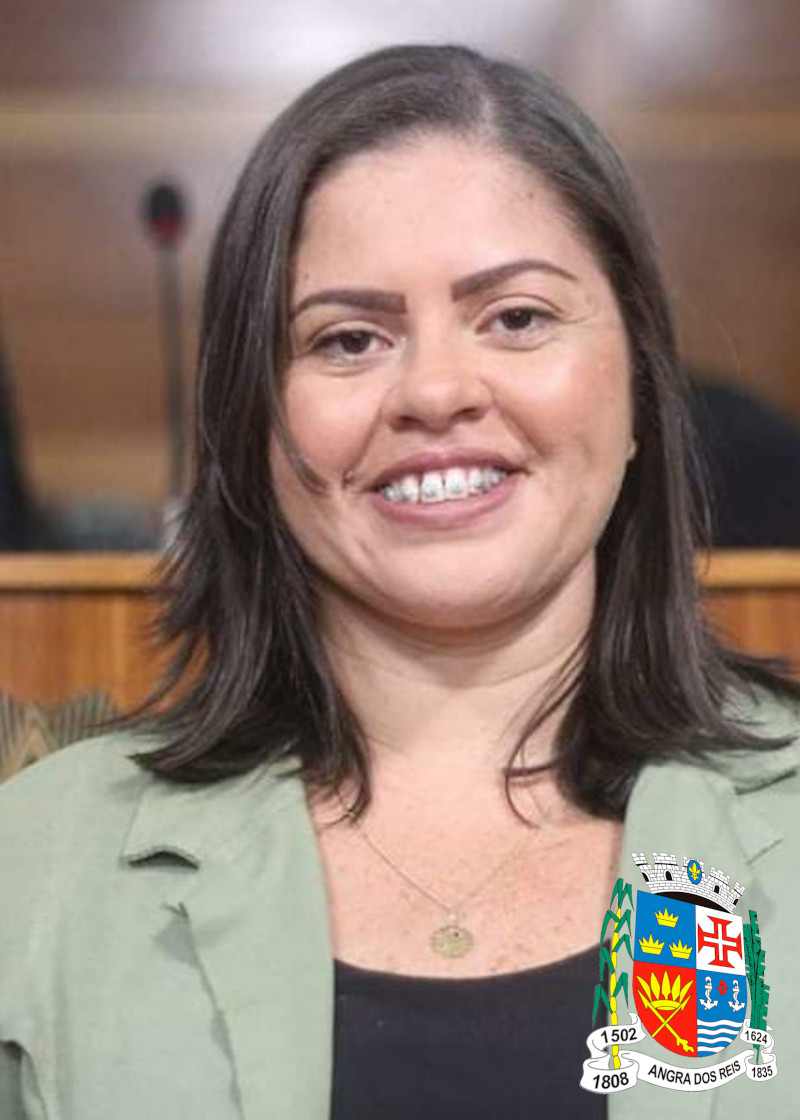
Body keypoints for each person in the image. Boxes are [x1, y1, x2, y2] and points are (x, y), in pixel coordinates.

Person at [1, 43, 799, 1120]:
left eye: (516, 317)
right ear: (254, 420)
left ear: (639, 386)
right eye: (349, 339)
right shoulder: (37, 864)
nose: (434, 389)